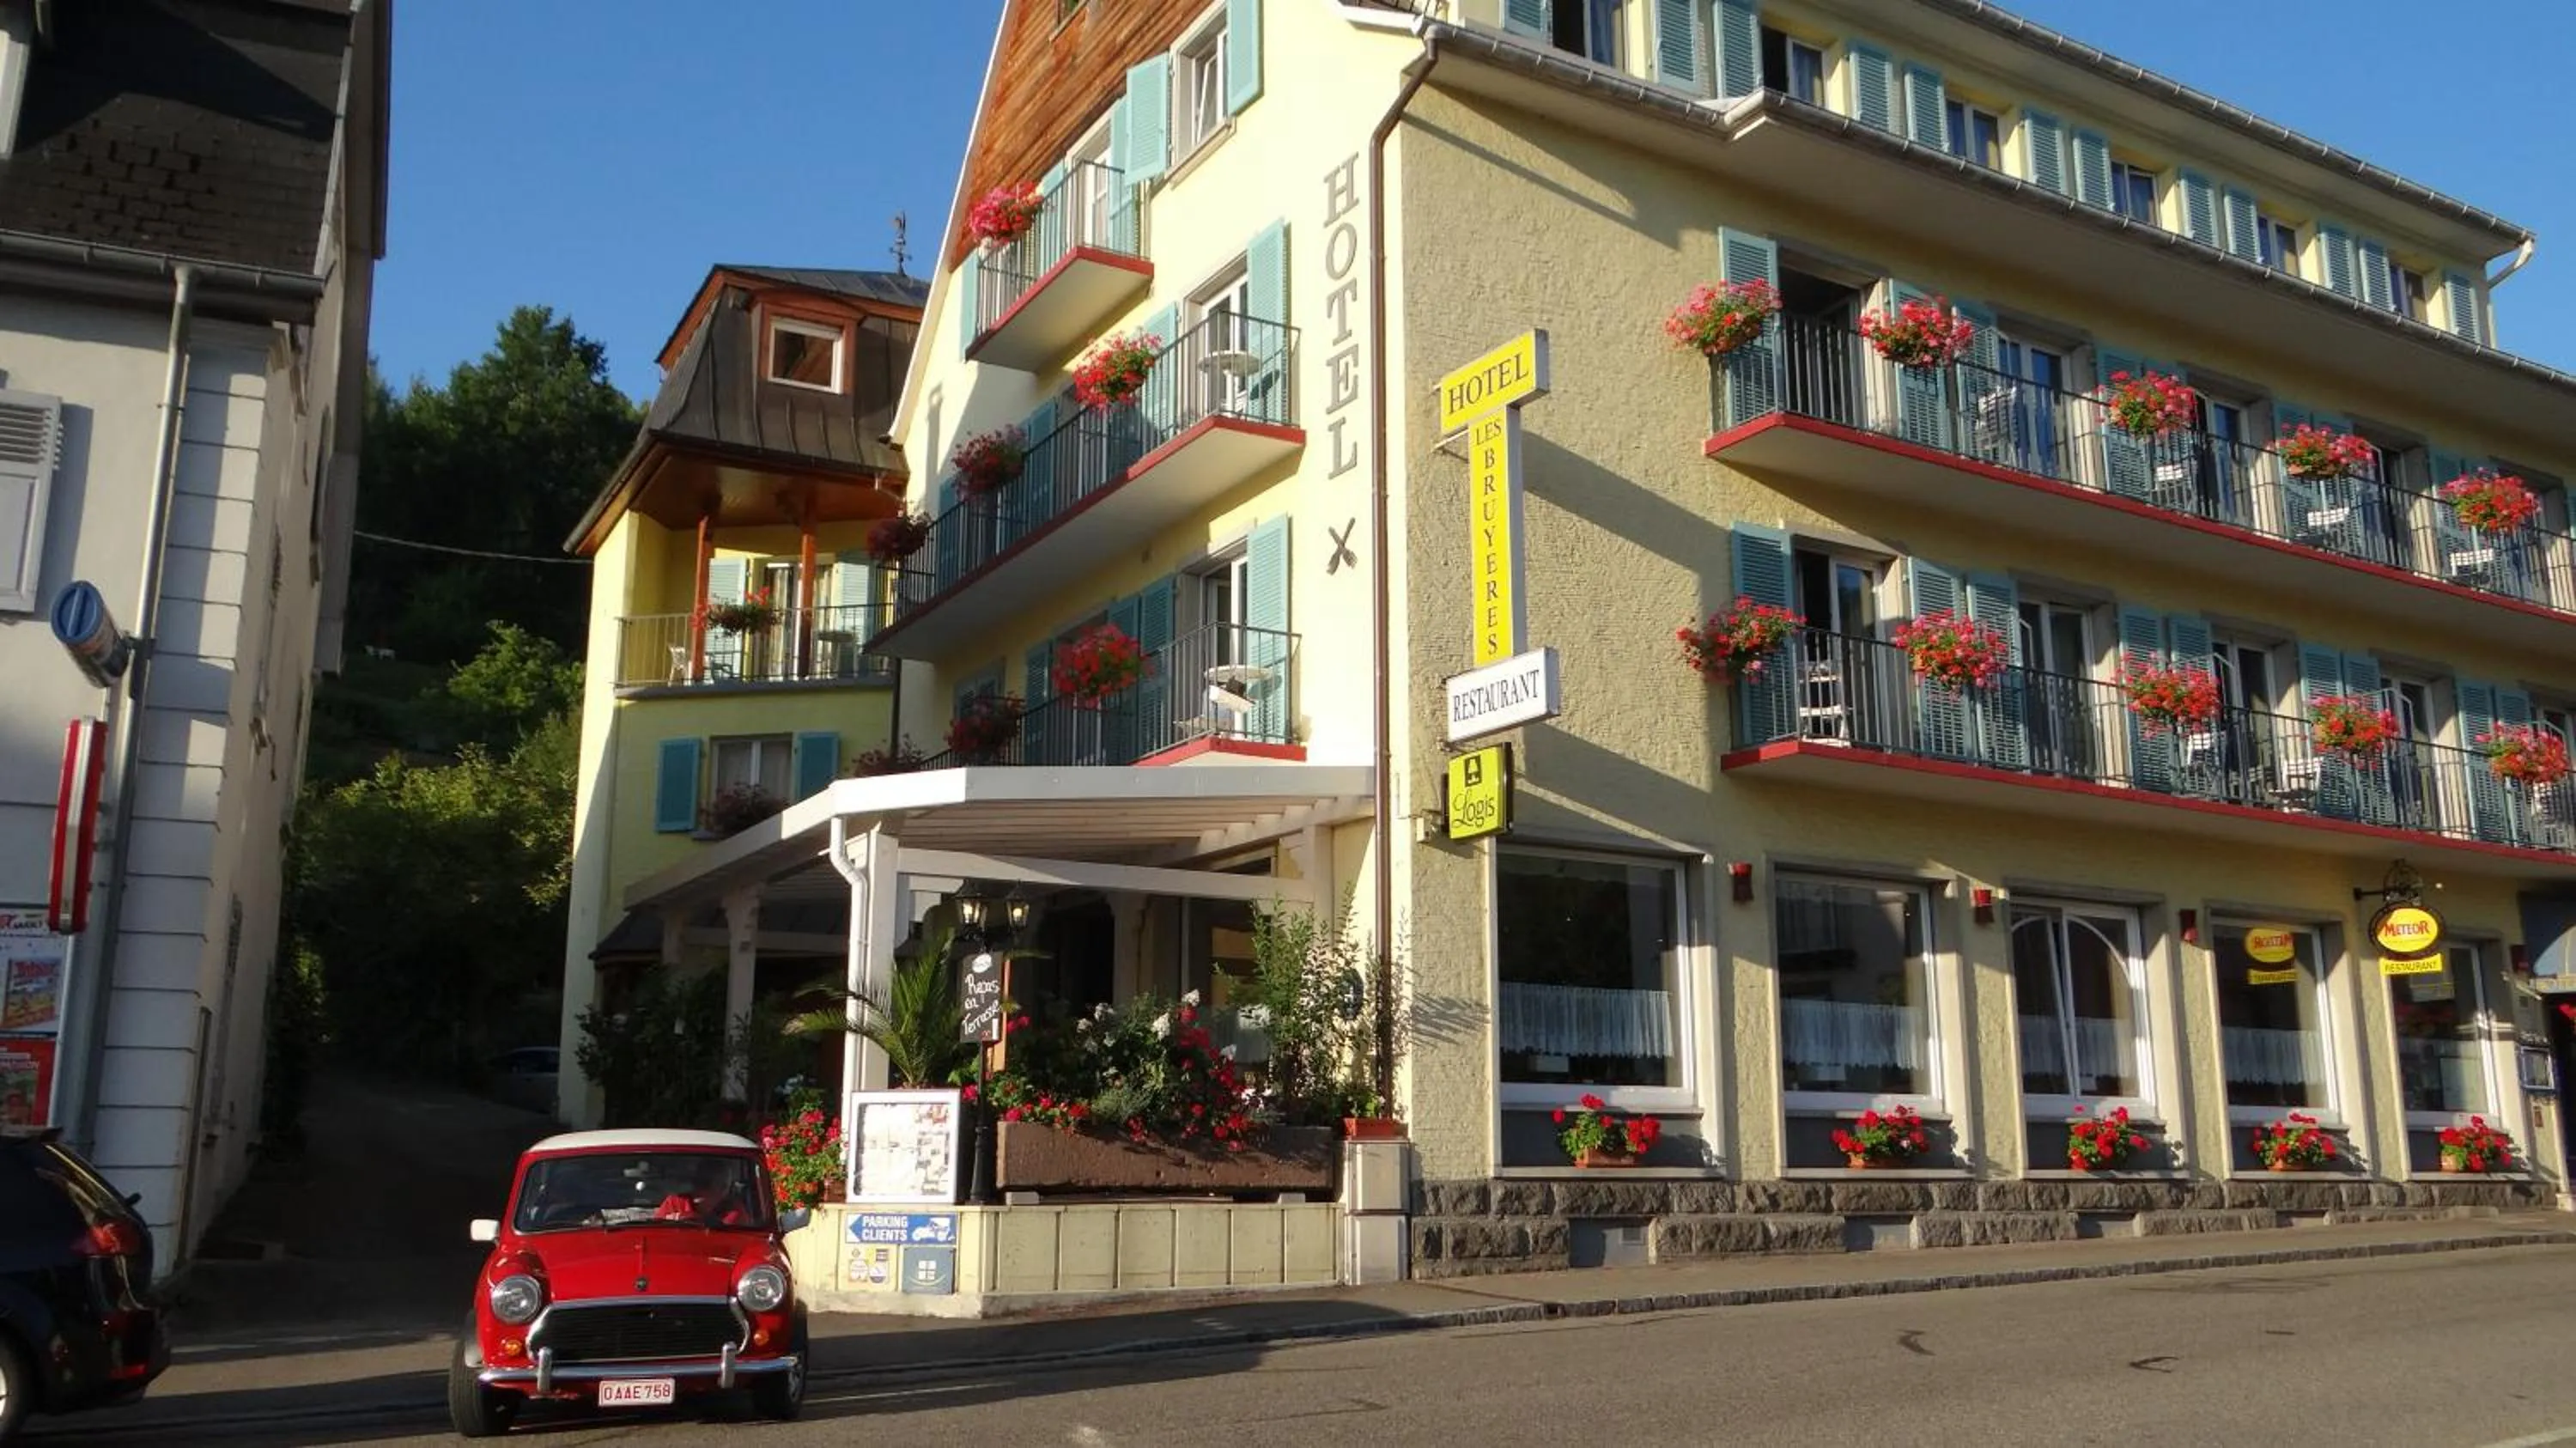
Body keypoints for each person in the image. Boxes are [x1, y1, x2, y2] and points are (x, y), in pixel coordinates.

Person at [653, 1156, 751, 1226]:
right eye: (699, 1181)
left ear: (724, 1189)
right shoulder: (674, 1203)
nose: (700, 1188)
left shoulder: (734, 1211)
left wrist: (690, 1219)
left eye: (707, 1183)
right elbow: (655, 1233)